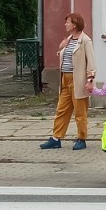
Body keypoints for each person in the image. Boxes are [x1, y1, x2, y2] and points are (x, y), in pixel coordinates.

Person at [41, 13, 95, 150]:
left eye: (68, 22)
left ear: (75, 24)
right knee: (61, 110)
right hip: (65, 78)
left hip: (78, 80)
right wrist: (61, 48)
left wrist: (90, 80)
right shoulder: (69, 40)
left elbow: (91, 62)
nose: (65, 24)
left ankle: (81, 138)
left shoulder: (85, 41)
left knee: (80, 112)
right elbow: (65, 56)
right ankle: (56, 138)